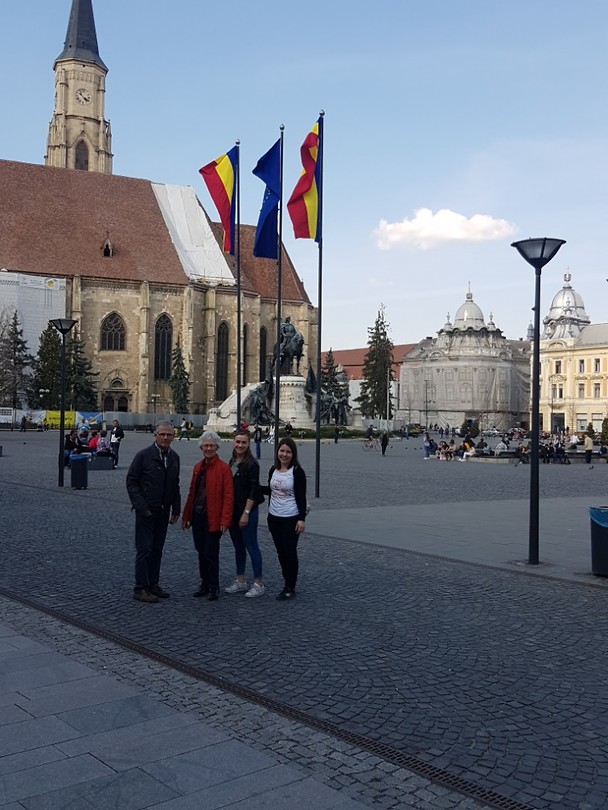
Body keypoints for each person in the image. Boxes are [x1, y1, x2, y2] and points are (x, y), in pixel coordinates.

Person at [126, 421, 181, 604]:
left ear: (173, 436)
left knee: (157, 549)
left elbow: (175, 484)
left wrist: (176, 508)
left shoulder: (174, 457)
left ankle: (153, 584)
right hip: (146, 511)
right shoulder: (144, 455)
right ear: (155, 435)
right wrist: (141, 506)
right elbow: (132, 481)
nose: (165, 437)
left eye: (169, 435)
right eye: (162, 434)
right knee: (144, 549)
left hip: (163, 511)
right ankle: (140, 587)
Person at [182, 431, 233, 601]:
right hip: (198, 516)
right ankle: (204, 583)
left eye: (211, 446)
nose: (208, 448)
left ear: (217, 447)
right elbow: (192, 493)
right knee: (200, 551)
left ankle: (213, 585)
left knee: (211, 553)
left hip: (213, 517)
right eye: (206, 446)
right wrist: (186, 516)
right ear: (201, 448)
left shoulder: (223, 468)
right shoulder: (198, 467)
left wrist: (225, 520)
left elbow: (228, 496)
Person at [263, 437, 307, 601]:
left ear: (293, 454)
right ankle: (286, 579)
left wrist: (301, 519)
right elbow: (272, 490)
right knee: (280, 552)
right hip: (274, 517)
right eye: (282, 451)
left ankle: (290, 586)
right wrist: (254, 488)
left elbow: (301, 497)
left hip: (291, 517)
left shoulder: (297, 472)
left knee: (289, 552)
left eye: (288, 452)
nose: (284, 454)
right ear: (277, 452)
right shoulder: (273, 470)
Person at [225, 431, 265, 598]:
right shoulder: (233, 461)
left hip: (247, 511)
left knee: (251, 546)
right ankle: (241, 580)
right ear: (233, 442)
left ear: (249, 444)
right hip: (233, 510)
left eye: (243, 442)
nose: (240, 445)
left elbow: (253, 490)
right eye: (238, 442)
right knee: (238, 546)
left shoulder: (252, 464)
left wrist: (246, 513)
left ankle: (258, 583)